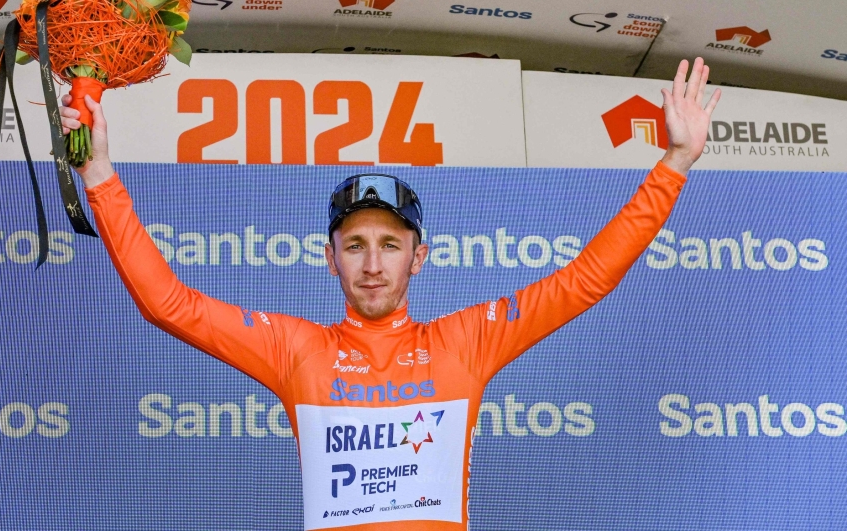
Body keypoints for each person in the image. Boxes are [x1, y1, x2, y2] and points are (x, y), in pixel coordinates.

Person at [62, 58, 720, 531]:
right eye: (354, 245)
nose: (373, 263)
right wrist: (98, 172)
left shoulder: (465, 341)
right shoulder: (299, 350)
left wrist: (674, 165)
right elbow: (168, 303)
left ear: (418, 257)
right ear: (329, 260)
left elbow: (585, 280)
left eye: (389, 244)